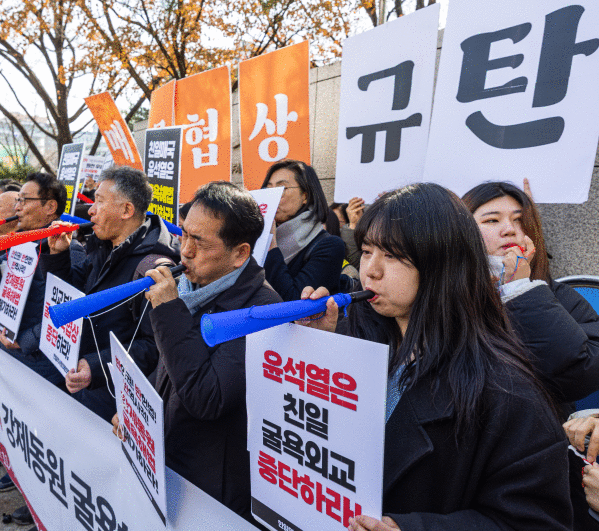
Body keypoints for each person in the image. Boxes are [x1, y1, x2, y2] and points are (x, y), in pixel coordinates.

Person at [301, 183, 572, 530]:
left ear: (443, 262)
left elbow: (536, 522)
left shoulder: (506, 392)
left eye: (394, 255)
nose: (371, 270)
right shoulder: (359, 344)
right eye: (367, 251)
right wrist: (319, 345)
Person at [126, 181, 281, 522]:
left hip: (213, 484)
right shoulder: (192, 285)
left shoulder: (261, 308)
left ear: (240, 253)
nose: (186, 251)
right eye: (184, 235)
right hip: (170, 456)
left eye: (200, 242)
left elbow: (207, 398)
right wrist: (135, 413)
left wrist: (169, 311)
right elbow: (169, 366)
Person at [42, 166, 180, 422]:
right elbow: (73, 299)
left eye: (100, 202)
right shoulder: (102, 246)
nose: (91, 210)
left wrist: (96, 367)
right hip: (88, 388)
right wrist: (59, 256)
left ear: (127, 210)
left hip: (117, 406)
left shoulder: (155, 268)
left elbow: (155, 348)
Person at [462, 182, 599, 414]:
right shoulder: (440, 295)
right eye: (492, 220)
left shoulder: (556, 296)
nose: (510, 230)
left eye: (519, 220)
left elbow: (582, 375)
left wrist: (520, 289)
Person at [261, 159, 344, 301]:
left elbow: (294, 303)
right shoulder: (254, 237)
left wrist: (270, 245)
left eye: (281, 189)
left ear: (305, 195)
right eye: (268, 190)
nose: (272, 196)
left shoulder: (329, 246)